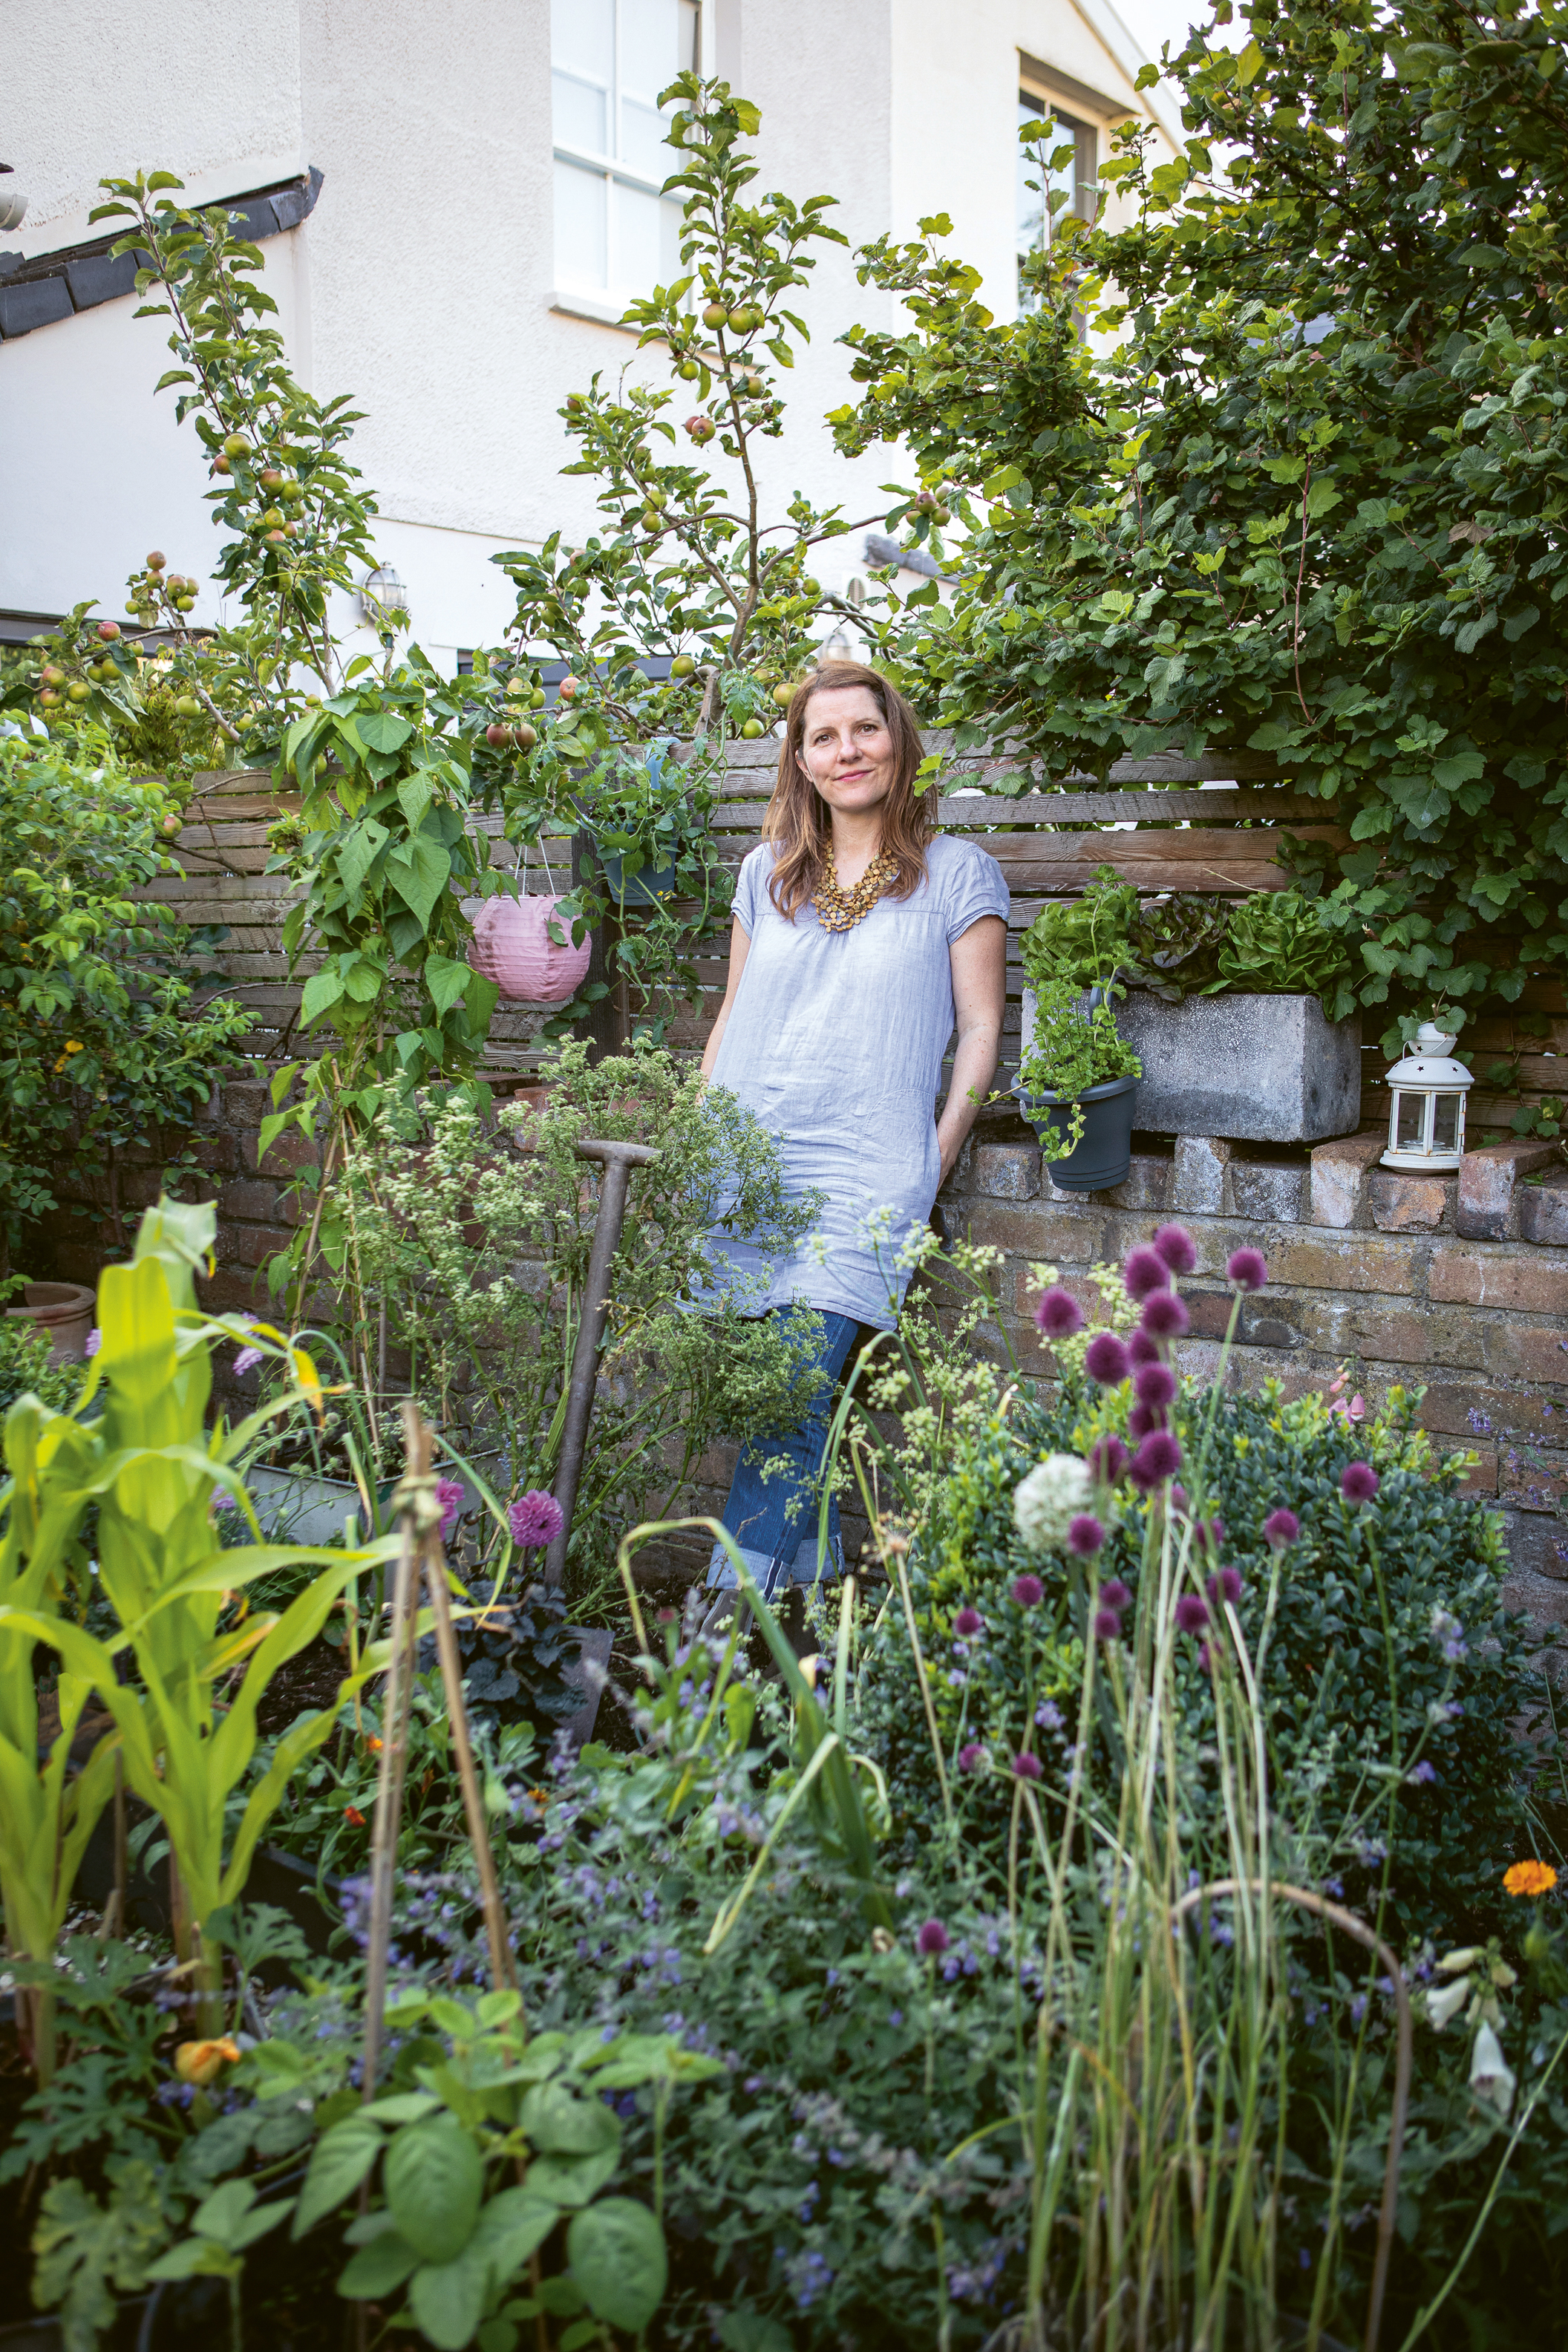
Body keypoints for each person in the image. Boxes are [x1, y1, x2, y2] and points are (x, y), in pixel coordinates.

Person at [699, 658, 1008, 1609]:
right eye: (824, 737)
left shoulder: (957, 873)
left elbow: (983, 1030)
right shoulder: (766, 874)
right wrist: (699, 1141)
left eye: (864, 730)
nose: (847, 751)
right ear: (800, 758)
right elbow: (732, 1011)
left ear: (897, 740)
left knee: (790, 1397)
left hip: (867, 1177)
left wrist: (936, 1153)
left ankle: (710, 1644)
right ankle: (814, 1639)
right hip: (749, 1165)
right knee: (787, 1403)